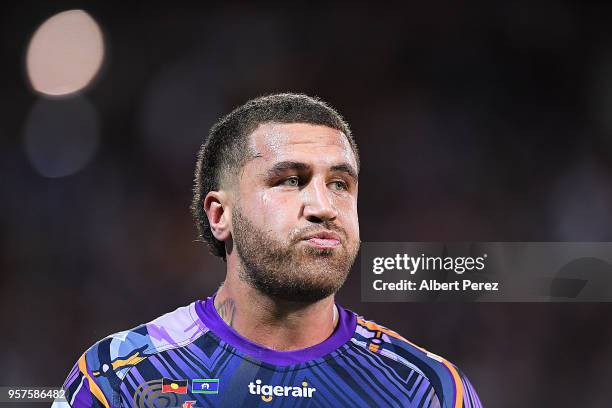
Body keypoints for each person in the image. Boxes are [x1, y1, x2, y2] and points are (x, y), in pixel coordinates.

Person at [55, 93, 482, 407]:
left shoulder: (428, 390)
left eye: (340, 184)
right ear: (220, 215)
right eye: (290, 180)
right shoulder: (119, 379)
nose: (323, 207)